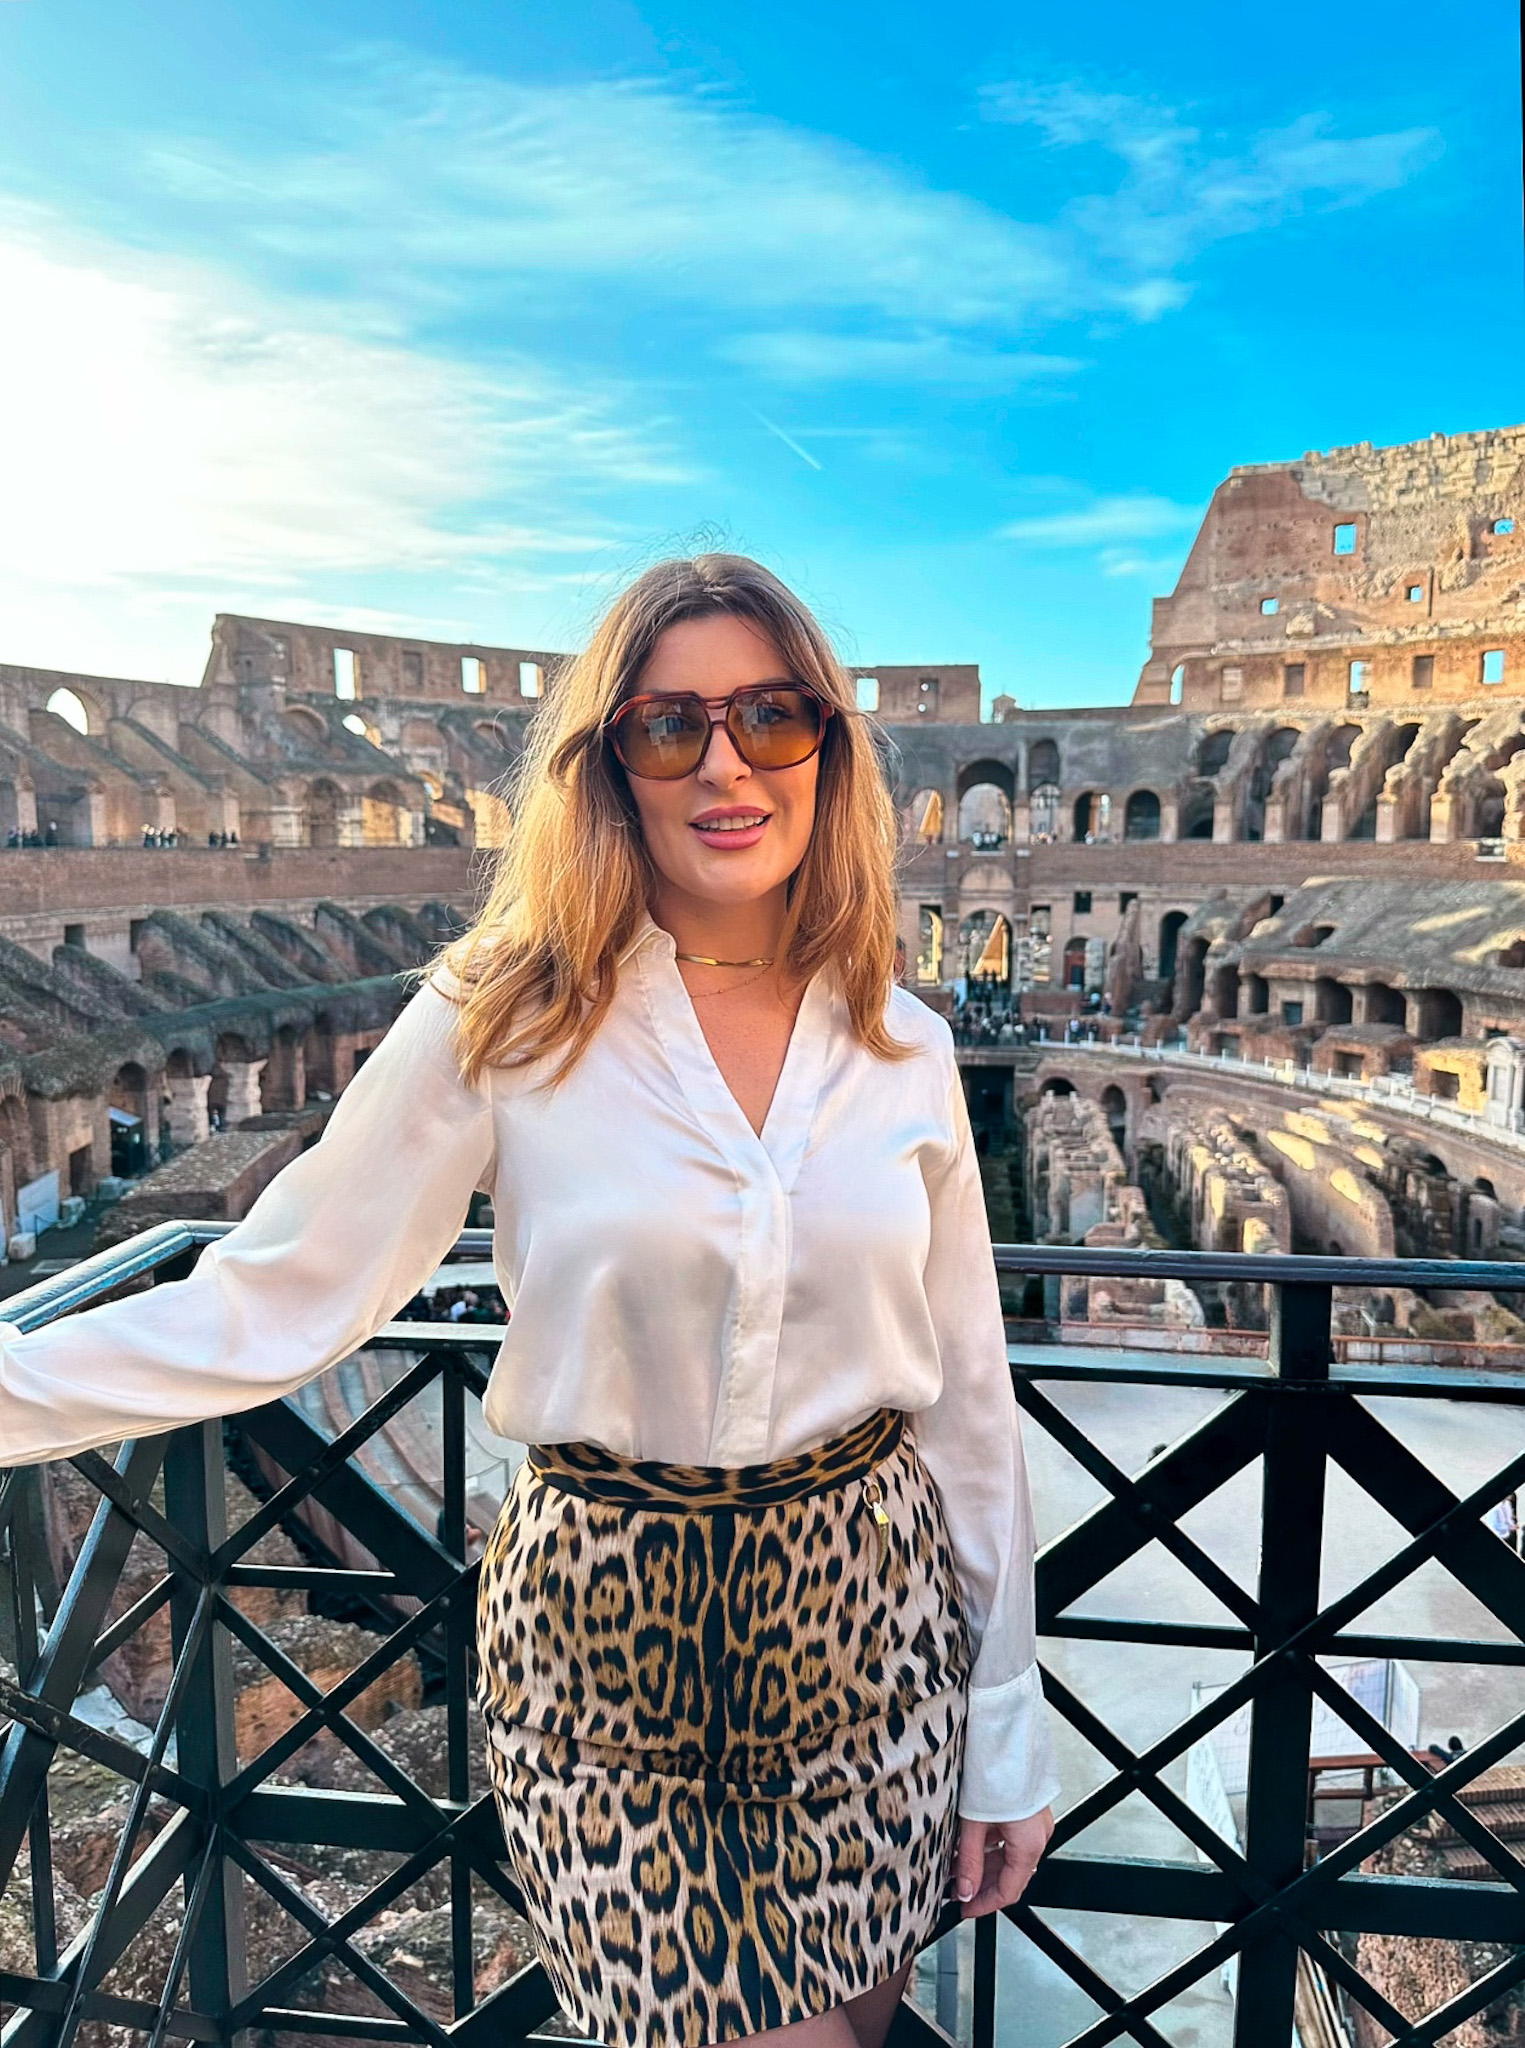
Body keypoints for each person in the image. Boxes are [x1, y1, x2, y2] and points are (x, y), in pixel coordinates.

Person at [0, 554, 1057, 2048]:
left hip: (862, 1623)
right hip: (603, 1628)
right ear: (605, 765)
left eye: (770, 715)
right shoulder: (502, 1011)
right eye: (665, 725)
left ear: (830, 745)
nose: (724, 764)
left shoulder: (903, 1044)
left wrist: (1002, 1726)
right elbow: (279, 1297)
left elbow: (961, 1398)